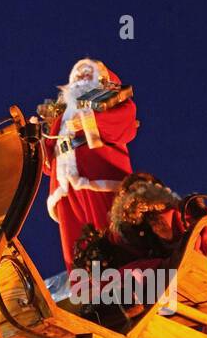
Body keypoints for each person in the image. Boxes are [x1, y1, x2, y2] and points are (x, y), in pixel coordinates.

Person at [38, 58, 139, 268]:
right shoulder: (61, 116)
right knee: (75, 240)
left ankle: (121, 279)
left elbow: (124, 125)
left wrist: (88, 121)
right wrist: (36, 140)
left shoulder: (110, 99)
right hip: (64, 183)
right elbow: (48, 161)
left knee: (108, 230)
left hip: (98, 173)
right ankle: (87, 290)